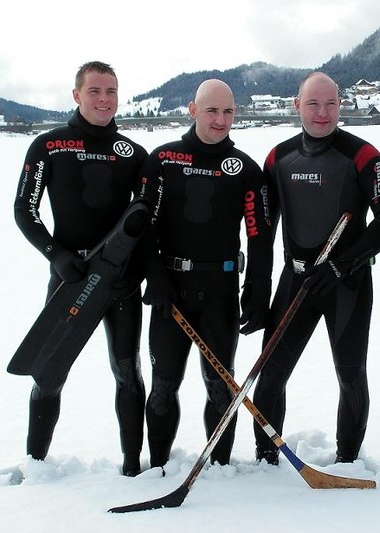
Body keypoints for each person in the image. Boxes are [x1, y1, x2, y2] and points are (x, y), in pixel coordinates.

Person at [251, 71, 380, 465]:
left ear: (342, 105)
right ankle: (266, 457)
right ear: (297, 105)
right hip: (295, 279)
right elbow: (262, 232)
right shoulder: (277, 158)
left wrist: (341, 266)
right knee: (271, 373)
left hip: (346, 281)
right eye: (313, 104)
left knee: (350, 374)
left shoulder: (363, 155)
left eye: (331, 103)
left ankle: (348, 460)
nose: (323, 113)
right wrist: (255, 290)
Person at [13, 61, 149, 476]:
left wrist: (136, 268)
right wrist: (55, 254)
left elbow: (146, 220)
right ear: (76, 95)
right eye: (94, 91)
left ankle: (131, 466)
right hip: (69, 277)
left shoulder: (132, 153)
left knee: (127, 369)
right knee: (49, 372)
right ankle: (36, 464)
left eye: (111, 91)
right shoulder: (49, 146)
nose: (104, 99)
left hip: (118, 280)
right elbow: (25, 209)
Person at [138, 79, 273, 468]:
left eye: (228, 111)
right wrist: (155, 278)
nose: (220, 119)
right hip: (171, 291)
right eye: (212, 110)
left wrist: (257, 290)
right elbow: (142, 225)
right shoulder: (162, 160)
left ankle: (219, 468)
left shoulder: (245, 170)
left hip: (220, 291)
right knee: (164, 384)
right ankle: (159, 465)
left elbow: (260, 236)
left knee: (221, 385)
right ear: (193, 110)